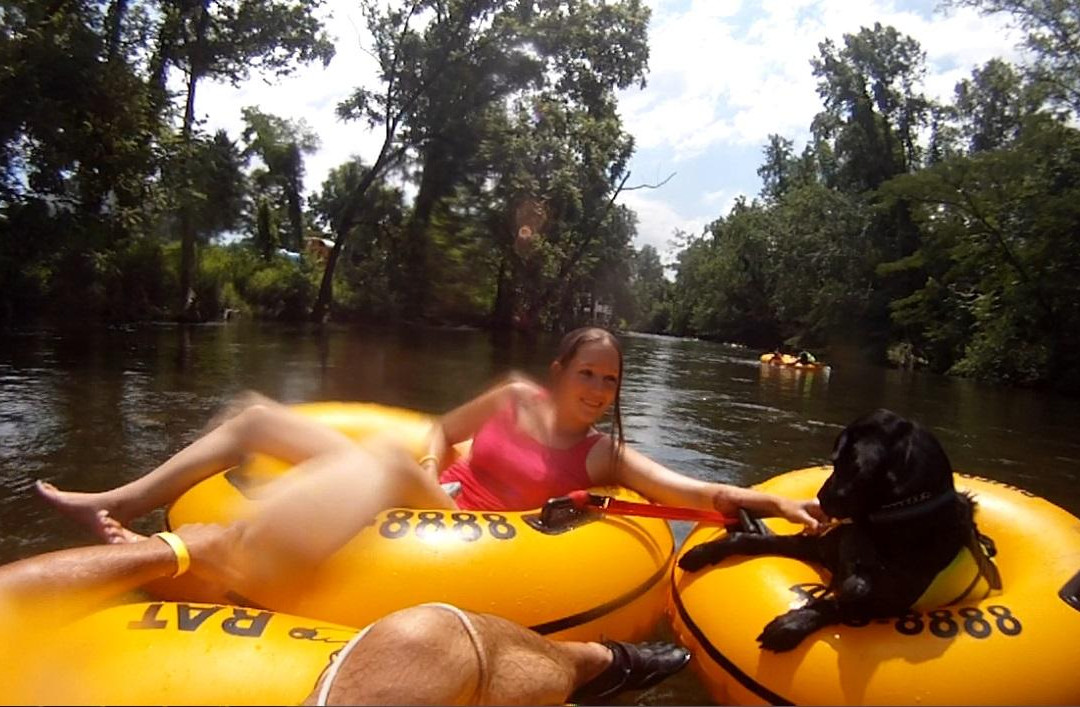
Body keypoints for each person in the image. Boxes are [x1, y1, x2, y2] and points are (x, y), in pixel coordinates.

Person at [0, 523, 690, 705]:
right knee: (430, 639)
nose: (597, 389)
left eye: (608, 379)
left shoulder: (602, 453)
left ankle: (600, 663)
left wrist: (176, 549)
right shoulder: (512, 402)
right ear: (558, 372)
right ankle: (600, 663)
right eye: (587, 373)